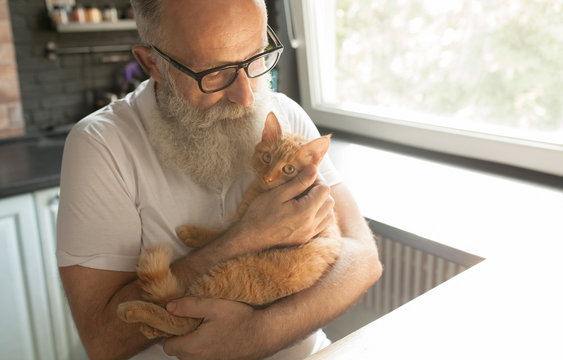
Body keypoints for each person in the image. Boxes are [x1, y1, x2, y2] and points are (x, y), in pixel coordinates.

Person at [56, 0, 382, 359]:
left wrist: (260, 333)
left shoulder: (284, 113)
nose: (246, 96)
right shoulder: (100, 146)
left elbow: (363, 257)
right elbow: (103, 340)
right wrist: (245, 238)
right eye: (213, 72)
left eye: (256, 57)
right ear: (153, 64)